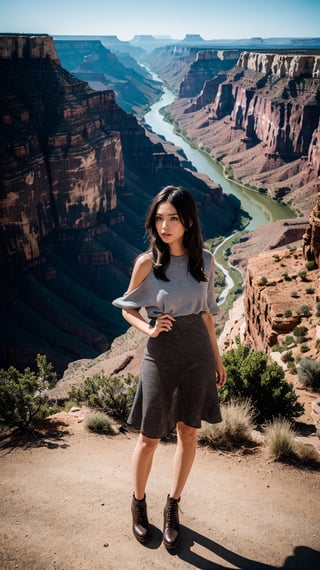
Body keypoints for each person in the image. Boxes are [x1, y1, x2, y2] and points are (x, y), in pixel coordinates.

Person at [112, 185, 227, 550]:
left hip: (197, 353)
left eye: (173, 218)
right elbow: (128, 307)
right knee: (148, 437)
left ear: (188, 221)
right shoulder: (147, 263)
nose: (164, 226)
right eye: (159, 218)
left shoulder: (205, 261)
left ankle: (173, 507)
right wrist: (148, 327)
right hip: (160, 353)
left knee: (188, 433)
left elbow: (206, 312)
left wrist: (217, 357)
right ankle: (138, 504)